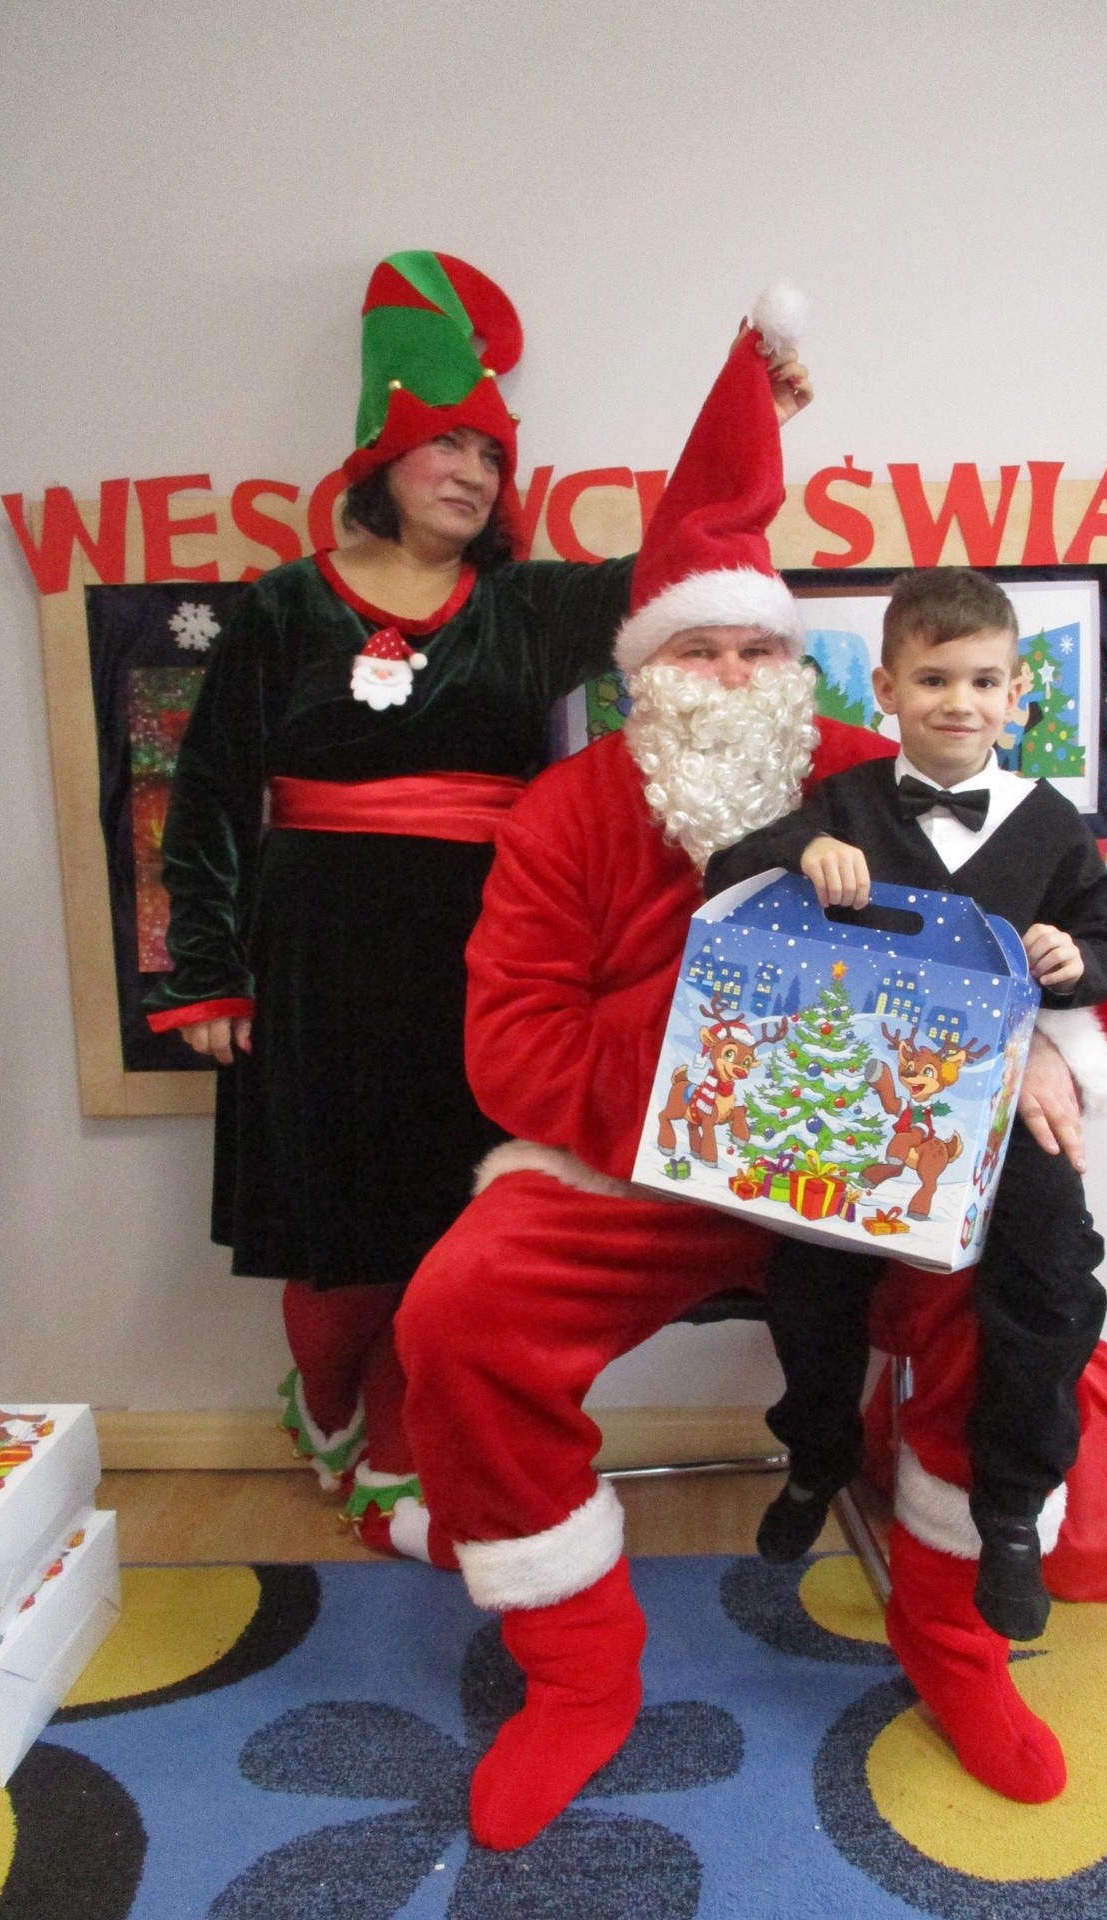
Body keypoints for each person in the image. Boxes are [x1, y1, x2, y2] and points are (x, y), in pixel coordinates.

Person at [395, 321, 1107, 1848]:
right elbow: (509, 1047)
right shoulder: (568, 813)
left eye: (759, 649)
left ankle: (952, 1632)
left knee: (1001, 1289)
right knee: (459, 1312)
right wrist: (723, 1046)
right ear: (643, 674)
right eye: (698, 652)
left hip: (870, 1172)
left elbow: (1046, 906)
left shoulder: (878, 765)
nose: (732, 675)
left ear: (803, 666)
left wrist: (1042, 1049)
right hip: (633, 1173)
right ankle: (577, 1672)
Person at [142, 252, 810, 1560]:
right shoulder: (283, 606)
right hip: (319, 950)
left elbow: (677, 572)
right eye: (445, 444)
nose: (471, 473)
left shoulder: (527, 606)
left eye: (491, 455)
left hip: (486, 949)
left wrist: (750, 417)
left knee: (442, 1223)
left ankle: (408, 1455)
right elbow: (211, 788)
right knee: (332, 1249)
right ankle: (321, 1395)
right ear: (380, 457)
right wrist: (208, 973)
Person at [705, 568, 1107, 1640]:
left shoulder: (1049, 823)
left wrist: (1073, 959)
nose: (960, 701)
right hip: (857, 1095)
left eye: (984, 680)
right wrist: (800, 848)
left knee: (1052, 1270)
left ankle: (1010, 1508)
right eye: (935, 678)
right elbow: (729, 870)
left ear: (1016, 696)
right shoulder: (848, 802)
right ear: (888, 691)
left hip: (995, 1101)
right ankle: (819, 1457)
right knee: (809, 1277)